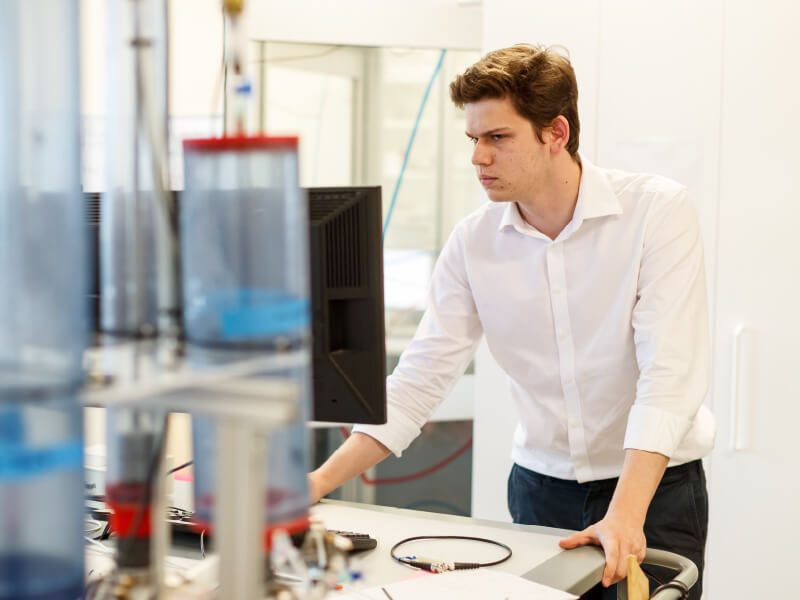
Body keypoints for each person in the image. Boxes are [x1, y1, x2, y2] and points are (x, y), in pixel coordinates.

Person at [308, 44, 714, 599]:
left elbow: (669, 373)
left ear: (556, 133)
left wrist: (625, 514)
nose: (478, 157)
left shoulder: (655, 212)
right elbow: (419, 380)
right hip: (540, 492)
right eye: (473, 139)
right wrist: (315, 484)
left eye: (498, 138)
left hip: (654, 487)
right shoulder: (473, 242)